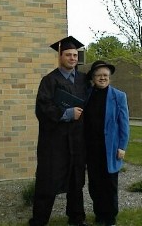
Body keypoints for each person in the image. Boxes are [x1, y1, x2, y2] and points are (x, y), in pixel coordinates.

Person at [29, 36, 89, 226]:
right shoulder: (49, 80)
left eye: (75, 55)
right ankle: (39, 221)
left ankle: (76, 219)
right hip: (54, 143)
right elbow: (42, 108)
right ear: (60, 57)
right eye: (68, 55)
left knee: (76, 182)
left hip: (77, 140)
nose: (72, 58)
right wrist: (66, 113)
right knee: (47, 182)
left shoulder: (83, 80)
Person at [84, 60, 130, 226]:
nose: (102, 78)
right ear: (93, 78)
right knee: (95, 184)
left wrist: (122, 146)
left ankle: (110, 217)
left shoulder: (119, 96)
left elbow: (124, 123)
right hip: (91, 148)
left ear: (109, 77)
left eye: (105, 75)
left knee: (109, 184)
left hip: (110, 148)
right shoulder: (87, 94)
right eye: (99, 75)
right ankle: (99, 214)